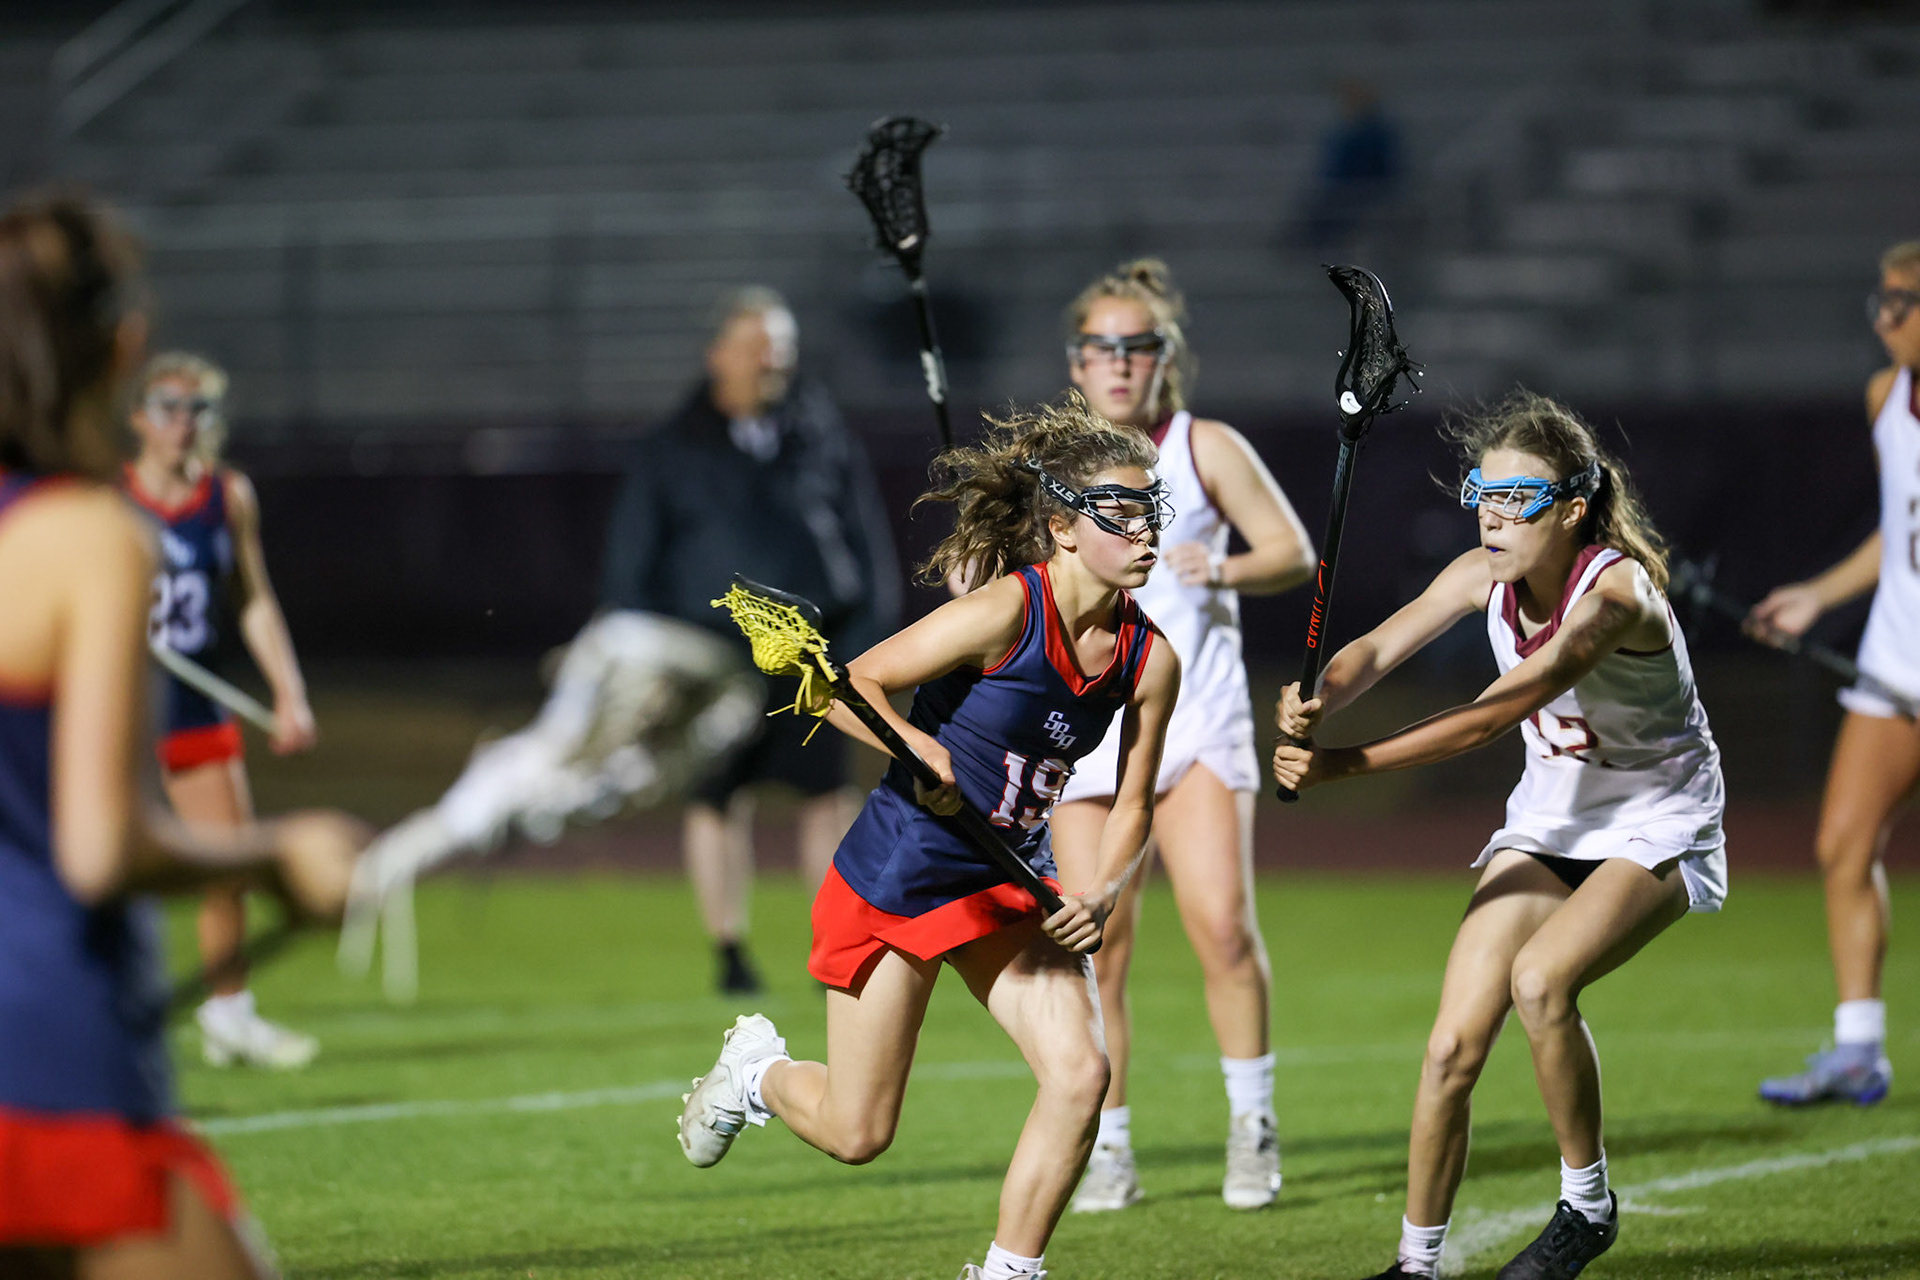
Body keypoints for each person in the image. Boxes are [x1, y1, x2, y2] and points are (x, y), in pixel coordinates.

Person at [676, 399, 1180, 1280]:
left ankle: (1007, 1273)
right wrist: (918, 746)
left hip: (1013, 876)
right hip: (907, 866)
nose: (1145, 530)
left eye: (1151, 509)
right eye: (1121, 513)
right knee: (857, 1132)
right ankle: (756, 1073)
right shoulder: (1002, 612)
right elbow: (848, 683)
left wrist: (1100, 891)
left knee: (1081, 1075)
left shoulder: (1150, 657)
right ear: (1062, 528)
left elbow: (1135, 803)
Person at [1271, 390, 1726, 1280]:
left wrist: (1344, 767)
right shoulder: (1482, 575)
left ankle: (1586, 1206)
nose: (1493, 513)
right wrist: (1319, 691)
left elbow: (1494, 716)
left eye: (1518, 499)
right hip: (1551, 814)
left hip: (1658, 816)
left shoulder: (1616, 596)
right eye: (1484, 492)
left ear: (1574, 510)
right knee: (1449, 1047)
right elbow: (1377, 647)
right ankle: (1415, 1264)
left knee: (1541, 980)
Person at [0, 192, 362, 1278]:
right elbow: (103, 846)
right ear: (122, 346)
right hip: (47, 1053)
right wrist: (281, 855)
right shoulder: (89, 540)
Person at [1044, 259, 1312, 1213]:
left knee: (1224, 931)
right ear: (1076, 362)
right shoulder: (1059, 467)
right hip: (1086, 737)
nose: (1119, 363)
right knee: (1095, 946)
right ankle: (1106, 1145)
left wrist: (1223, 567)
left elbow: (1294, 552)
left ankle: (1252, 1128)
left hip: (1194, 724)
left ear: (1165, 358)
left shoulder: (1205, 447)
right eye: (1101, 347)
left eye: (1138, 345)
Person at [601, 286, 898, 995]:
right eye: (757, 346)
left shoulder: (817, 430)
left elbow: (864, 540)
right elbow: (631, 561)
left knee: (827, 796)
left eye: (781, 348)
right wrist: (644, 652)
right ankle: (729, 949)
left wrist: (868, 638)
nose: (773, 362)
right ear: (718, 356)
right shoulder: (672, 446)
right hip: (713, 658)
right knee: (716, 798)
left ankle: (838, 937)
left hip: (809, 653)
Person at [1750, 239, 1920, 1107]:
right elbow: (1900, 531)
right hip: (1897, 667)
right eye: (1881, 301)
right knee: (1843, 845)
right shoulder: (1886, 398)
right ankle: (1859, 1050)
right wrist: (1817, 595)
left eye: (1905, 301)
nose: (1885, 317)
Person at [124, 352, 322, 1069]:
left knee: (229, 865)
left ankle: (229, 1014)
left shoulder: (226, 495)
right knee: (99, 867)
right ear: (138, 418)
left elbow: (255, 599)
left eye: (196, 408)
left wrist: (288, 692)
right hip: (124, 711)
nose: (182, 423)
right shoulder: (107, 498)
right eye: (168, 407)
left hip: (196, 704)